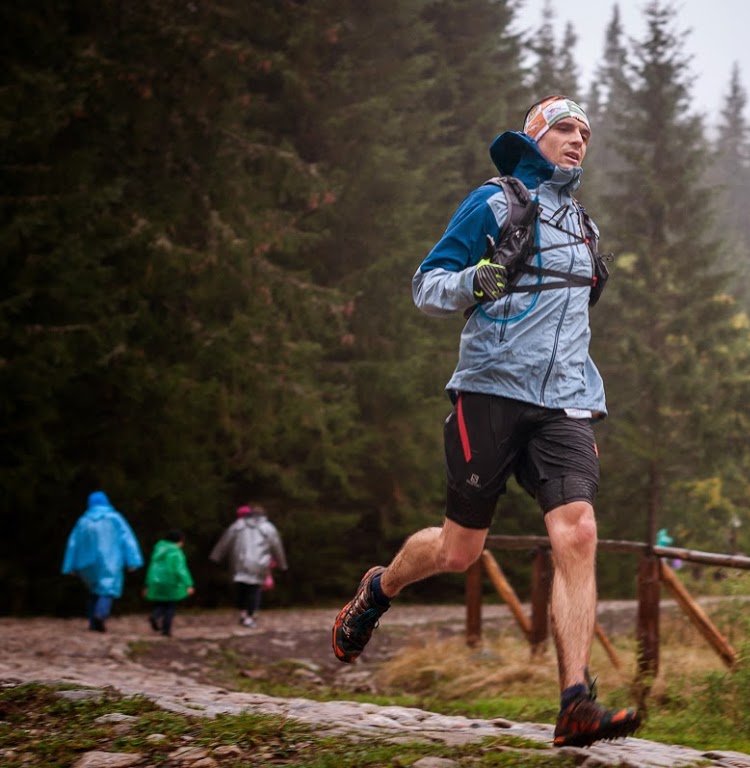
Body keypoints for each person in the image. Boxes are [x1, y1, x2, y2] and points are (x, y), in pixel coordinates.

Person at [331, 95, 640, 749]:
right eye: (564, 128)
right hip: (490, 392)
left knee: (579, 531)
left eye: (586, 132)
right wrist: (477, 280)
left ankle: (575, 703)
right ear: (534, 136)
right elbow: (426, 284)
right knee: (459, 552)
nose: (578, 139)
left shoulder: (584, 226)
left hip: (565, 401)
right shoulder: (496, 203)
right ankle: (379, 588)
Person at [61, 490, 144, 632]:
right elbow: (127, 539)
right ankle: (100, 614)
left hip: (86, 563)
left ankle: (92, 623)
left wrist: (69, 566)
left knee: (94, 591)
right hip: (110, 561)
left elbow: (73, 543)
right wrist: (133, 561)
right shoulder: (114, 518)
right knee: (107, 590)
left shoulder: (83, 521)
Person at [210, 504, 288, 627]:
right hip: (259, 563)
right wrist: (282, 564)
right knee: (254, 589)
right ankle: (250, 617)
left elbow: (225, 540)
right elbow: (276, 546)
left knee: (241, 588)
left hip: (239, 561)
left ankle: (243, 613)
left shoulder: (238, 525)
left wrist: (216, 556)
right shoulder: (268, 527)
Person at [143, 529, 195, 636]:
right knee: (170, 606)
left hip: (156, 582)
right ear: (179, 541)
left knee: (161, 603)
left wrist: (147, 584)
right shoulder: (176, 552)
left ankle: (155, 615)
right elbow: (181, 570)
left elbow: (151, 569)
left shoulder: (157, 551)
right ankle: (166, 630)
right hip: (171, 582)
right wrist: (188, 584)